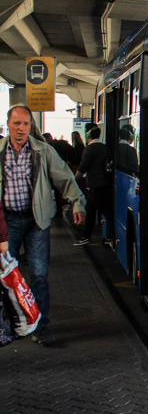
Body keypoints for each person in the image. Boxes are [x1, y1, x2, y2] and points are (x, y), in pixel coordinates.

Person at [0, 105, 86, 346]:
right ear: (8, 124)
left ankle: (41, 325)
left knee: (39, 274)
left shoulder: (42, 150)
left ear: (31, 126)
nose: (21, 128)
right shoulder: (0, 152)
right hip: (7, 222)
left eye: (26, 124)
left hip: (36, 221)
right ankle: (11, 324)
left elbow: (64, 177)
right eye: (17, 123)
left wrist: (77, 203)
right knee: (5, 276)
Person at [74, 125, 112, 245]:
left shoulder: (90, 149)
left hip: (96, 185)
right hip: (105, 184)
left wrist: (74, 180)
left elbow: (83, 167)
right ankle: (86, 236)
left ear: (88, 135)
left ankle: (109, 236)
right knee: (90, 210)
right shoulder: (105, 147)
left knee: (105, 211)